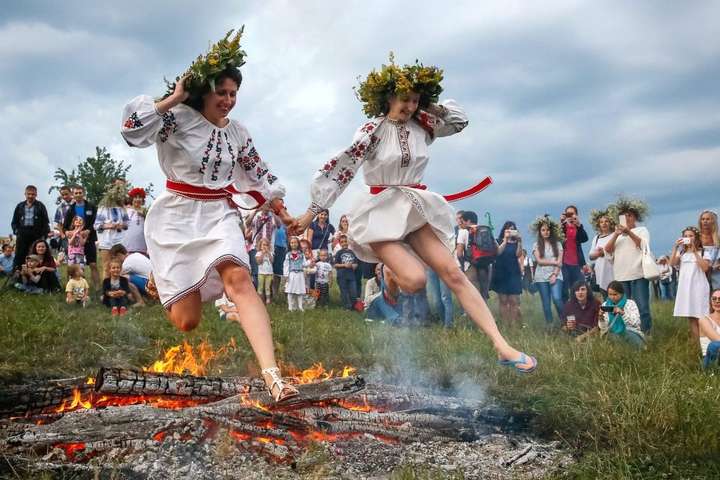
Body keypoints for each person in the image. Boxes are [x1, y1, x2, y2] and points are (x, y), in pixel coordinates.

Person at [295, 57, 535, 372]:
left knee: (453, 274)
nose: (410, 106)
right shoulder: (372, 130)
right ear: (388, 98)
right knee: (416, 280)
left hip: (413, 207)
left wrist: (431, 104)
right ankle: (387, 291)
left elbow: (460, 121)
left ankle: (501, 345)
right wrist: (309, 214)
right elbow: (342, 168)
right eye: (404, 99)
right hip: (378, 214)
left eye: (415, 99)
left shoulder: (424, 124)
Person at [120, 33, 298, 402]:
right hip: (176, 214)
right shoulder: (176, 119)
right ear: (203, 91)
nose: (229, 101)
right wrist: (174, 98)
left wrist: (282, 212)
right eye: (222, 92)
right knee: (187, 321)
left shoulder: (237, 133)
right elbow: (131, 130)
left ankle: (273, 377)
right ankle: (148, 269)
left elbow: (258, 173)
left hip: (219, 212)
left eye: (234, 94)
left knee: (239, 279)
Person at [603, 196, 653, 333]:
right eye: (624, 216)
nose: (627, 219)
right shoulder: (617, 234)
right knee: (622, 307)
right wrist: (616, 234)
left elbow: (642, 245)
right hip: (621, 276)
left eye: (629, 216)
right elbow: (607, 250)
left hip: (638, 274)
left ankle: (646, 334)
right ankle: (627, 333)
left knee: (641, 307)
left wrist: (628, 232)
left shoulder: (642, 230)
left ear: (635, 217)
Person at [671, 227, 710, 340]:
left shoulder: (703, 251)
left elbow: (705, 268)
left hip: (699, 287)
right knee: (691, 317)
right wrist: (675, 247)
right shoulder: (681, 252)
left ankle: (705, 342)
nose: (688, 238)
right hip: (686, 288)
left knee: (702, 316)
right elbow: (672, 263)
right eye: (686, 236)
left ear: (696, 237)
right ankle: (696, 345)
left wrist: (694, 252)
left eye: (691, 235)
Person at [63, 185, 99, 290]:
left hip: (89, 239)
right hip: (75, 243)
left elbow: (96, 221)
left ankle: (97, 287)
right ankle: (70, 287)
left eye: (80, 192)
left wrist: (89, 230)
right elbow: (65, 227)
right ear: (73, 195)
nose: (78, 194)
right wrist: (67, 232)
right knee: (72, 266)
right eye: (76, 193)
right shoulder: (71, 209)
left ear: (84, 193)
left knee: (93, 264)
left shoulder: (91, 207)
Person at [532, 216, 564, 324]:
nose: (546, 232)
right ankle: (550, 325)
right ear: (540, 232)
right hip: (541, 277)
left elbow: (560, 262)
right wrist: (554, 262)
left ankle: (565, 322)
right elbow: (539, 261)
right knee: (546, 303)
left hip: (556, 274)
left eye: (548, 230)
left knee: (557, 299)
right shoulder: (536, 245)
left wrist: (555, 274)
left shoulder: (558, 244)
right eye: (543, 230)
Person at [11, 185, 50, 273]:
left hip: (36, 233)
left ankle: (35, 277)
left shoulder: (40, 206)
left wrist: (44, 236)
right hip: (22, 233)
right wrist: (16, 231)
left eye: (33, 194)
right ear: (25, 194)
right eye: (29, 194)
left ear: (36, 194)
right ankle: (17, 275)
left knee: (34, 256)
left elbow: (45, 222)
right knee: (20, 255)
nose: (30, 196)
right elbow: (14, 221)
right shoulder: (20, 206)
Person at [95, 182, 130, 279]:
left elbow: (127, 223)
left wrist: (121, 225)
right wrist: (108, 226)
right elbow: (97, 225)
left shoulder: (121, 208)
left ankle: (119, 288)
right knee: (106, 266)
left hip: (119, 241)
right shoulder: (103, 208)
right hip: (106, 242)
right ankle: (106, 291)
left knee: (120, 266)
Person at [491, 221, 523, 325]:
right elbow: (498, 252)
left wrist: (520, 241)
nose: (510, 231)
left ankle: (513, 324)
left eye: (513, 229)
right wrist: (505, 240)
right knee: (503, 300)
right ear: (504, 230)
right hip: (501, 272)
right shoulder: (499, 241)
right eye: (508, 229)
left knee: (513, 300)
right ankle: (505, 323)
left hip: (513, 271)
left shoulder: (516, 242)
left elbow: (518, 255)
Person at [456, 210, 492, 300]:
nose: (461, 223)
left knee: (472, 298)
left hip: (471, 266)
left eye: (463, 221)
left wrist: (462, 267)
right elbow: (496, 249)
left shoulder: (463, 232)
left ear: (468, 221)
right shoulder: (485, 230)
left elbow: (459, 253)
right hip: (486, 266)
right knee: (483, 296)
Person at [599, 281, 645, 348]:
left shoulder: (630, 303)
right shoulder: (605, 305)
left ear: (622, 293)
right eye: (610, 294)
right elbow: (603, 328)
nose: (612, 297)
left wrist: (622, 313)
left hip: (631, 332)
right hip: (612, 333)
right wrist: (601, 318)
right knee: (611, 338)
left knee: (627, 336)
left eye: (615, 294)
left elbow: (636, 323)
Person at [560, 205, 589, 302]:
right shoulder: (562, 226)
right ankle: (565, 314)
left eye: (572, 213)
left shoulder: (578, 226)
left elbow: (584, 238)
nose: (570, 216)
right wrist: (561, 223)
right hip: (564, 262)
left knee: (579, 288)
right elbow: (557, 239)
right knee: (564, 290)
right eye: (568, 213)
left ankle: (578, 311)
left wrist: (579, 224)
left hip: (577, 263)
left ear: (576, 214)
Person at [588, 210, 615, 297]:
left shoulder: (615, 235)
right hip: (600, 273)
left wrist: (604, 252)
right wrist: (598, 253)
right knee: (606, 299)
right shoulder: (596, 238)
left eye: (606, 221)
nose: (604, 224)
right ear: (598, 224)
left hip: (613, 272)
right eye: (601, 222)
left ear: (610, 223)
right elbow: (591, 256)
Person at [334, 234, 359, 311]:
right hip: (341, 275)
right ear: (340, 243)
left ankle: (354, 305)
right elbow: (335, 264)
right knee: (344, 291)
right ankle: (347, 307)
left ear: (348, 242)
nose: (344, 243)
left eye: (345, 241)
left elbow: (356, 264)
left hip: (351, 276)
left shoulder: (352, 252)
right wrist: (344, 265)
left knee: (353, 291)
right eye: (342, 242)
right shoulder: (339, 253)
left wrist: (353, 265)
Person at [699, 210, 720, 290]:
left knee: (717, 292)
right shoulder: (697, 237)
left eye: (708, 219)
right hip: (701, 270)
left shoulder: (718, 237)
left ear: (713, 221)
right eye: (703, 219)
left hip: (716, 271)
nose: (705, 221)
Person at [123, 187, 148, 255]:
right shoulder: (126, 211)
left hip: (142, 245)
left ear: (143, 199)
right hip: (128, 245)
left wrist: (144, 215)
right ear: (132, 199)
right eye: (135, 197)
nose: (137, 199)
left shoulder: (146, 211)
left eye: (140, 197)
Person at [283, 237, 306, 312]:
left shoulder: (301, 254)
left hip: (300, 274)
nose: (293, 244)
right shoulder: (288, 254)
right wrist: (286, 275)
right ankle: (290, 306)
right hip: (291, 274)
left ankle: (300, 306)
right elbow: (286, 265)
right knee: (290, 291)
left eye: (295, 242)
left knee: (300, 291)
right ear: (289, 244)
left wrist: (310, 263)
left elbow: (304, 263)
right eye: (292, 243)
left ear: (298, 243)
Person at [699, 288, 720, 369]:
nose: (717, 301)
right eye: (714, 299)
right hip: (710, 360)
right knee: (715, 345)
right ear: (710, 301)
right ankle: (712, 372)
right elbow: (717, 339)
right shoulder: (704, 319)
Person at [52, 186, 74, 258]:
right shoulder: (60, 207)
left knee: (77, 251)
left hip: (76, 231)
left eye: (66, 194)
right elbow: (59, 223)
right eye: (63, 195)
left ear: (71, 193)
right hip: (65, 233)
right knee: (68, 251)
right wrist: (62, 234)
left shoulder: (77, 204)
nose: (65, 196)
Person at [255, 238, 274, 305]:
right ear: (260, 246)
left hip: (269, 273)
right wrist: (262, 254)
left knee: (267, 287)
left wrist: (268, 253)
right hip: (261, 273)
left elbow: (272, 261)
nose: (264, 246)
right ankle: (260, 300)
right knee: (260, 287)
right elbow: (258, 262)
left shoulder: (270, 253)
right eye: (263, 245)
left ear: (268, 246)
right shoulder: (258, 253)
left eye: (266, 245)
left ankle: (268, 300)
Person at [272, 224, 287, 300]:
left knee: (278, 273)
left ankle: (276, 294)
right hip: (273, 247)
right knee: (270, 273)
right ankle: (271, 293)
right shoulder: (271, 219)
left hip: (282, 248)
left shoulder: (285, 224)